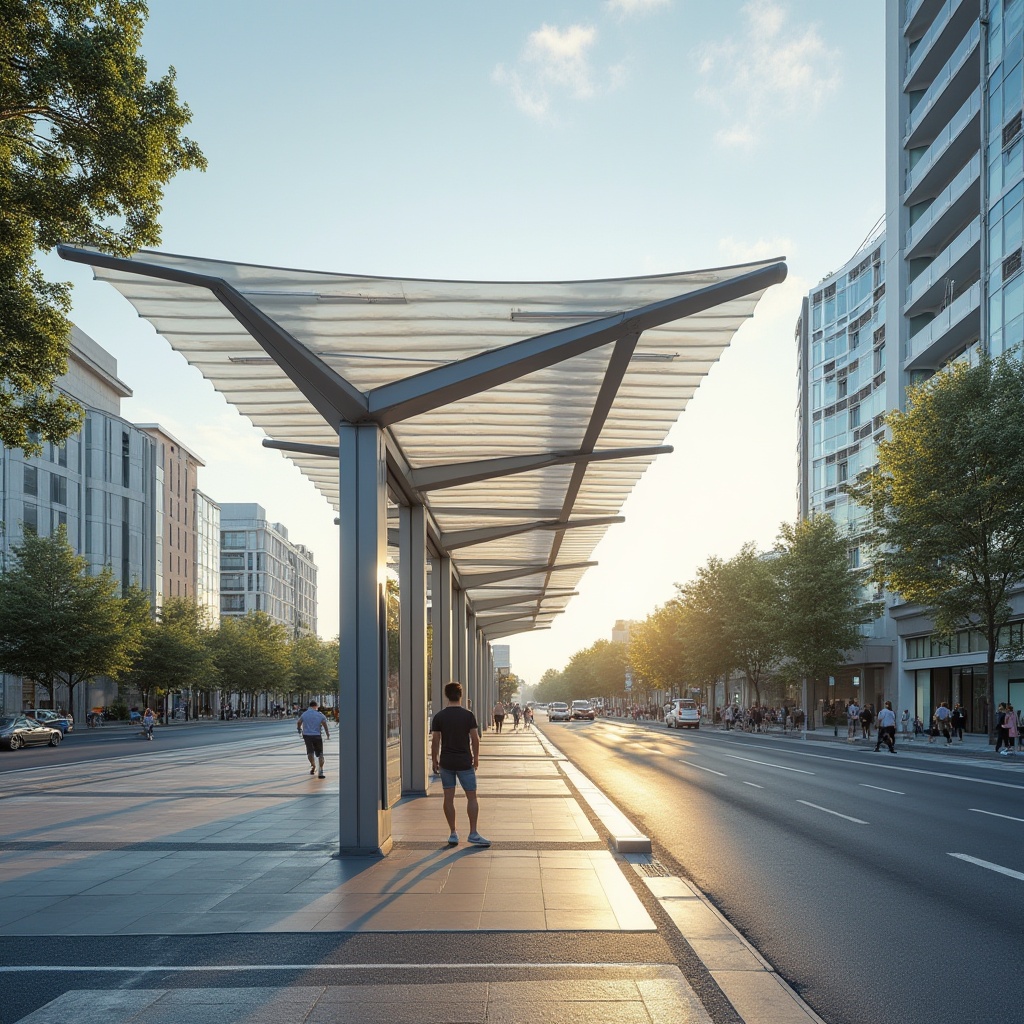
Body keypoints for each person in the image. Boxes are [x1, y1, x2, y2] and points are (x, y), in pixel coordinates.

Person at [431, 681, 490, 847]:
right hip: (465, 762)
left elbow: (435, 740)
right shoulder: (468, 715)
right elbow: (474, 738)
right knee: (471, 796)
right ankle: (473, 833)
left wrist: (434, 759)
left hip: (446, 762)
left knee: (448, 798)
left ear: (446, 695)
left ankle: (453, 833)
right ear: (461, 695)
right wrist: (476, 758)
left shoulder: (440, 716)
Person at [296, 699, 330, 778]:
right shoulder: (320, 714)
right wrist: (327, 734)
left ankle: (313, 766)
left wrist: (299, 729)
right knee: (320, 753)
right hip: (317, 735)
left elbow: (299, 722)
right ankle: (321, 770)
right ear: (315, 706)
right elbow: (324, 724)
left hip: (307, 735)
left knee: (310, 752)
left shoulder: (305, 714)